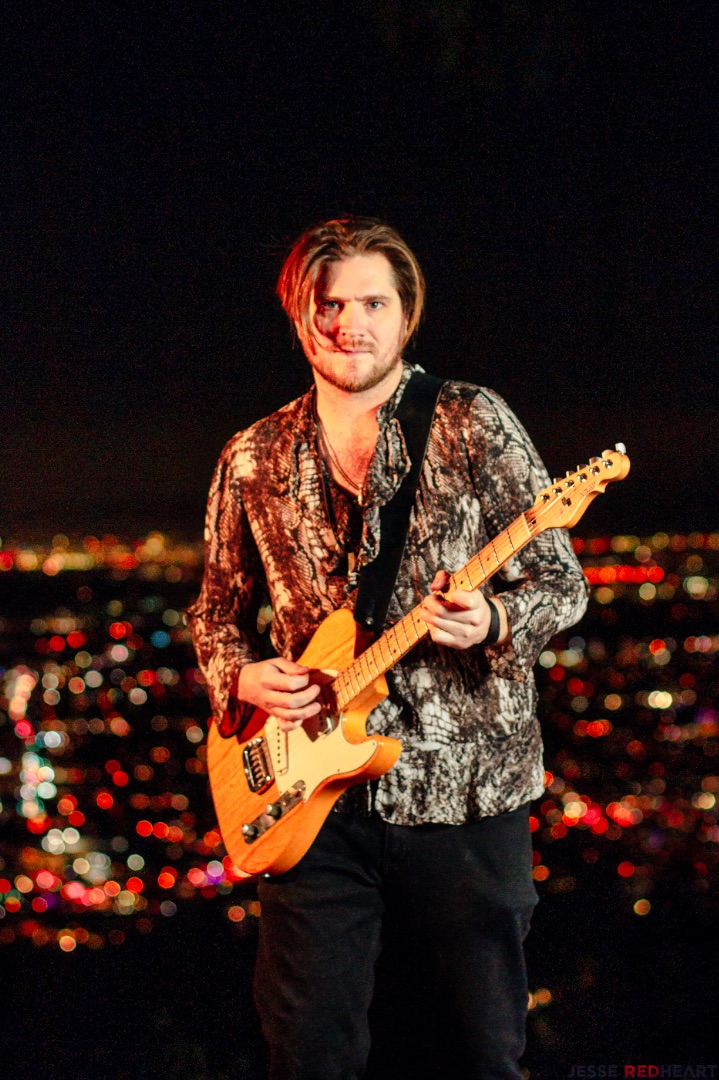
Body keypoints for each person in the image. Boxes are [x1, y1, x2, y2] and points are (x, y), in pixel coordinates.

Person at [186, 217, 589, 1080]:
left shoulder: (471, 421)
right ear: (299, 316)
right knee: (308, 1052)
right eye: (328, 305)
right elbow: (215, 613)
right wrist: (242, 675)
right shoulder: (251, 455)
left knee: (475, 1053)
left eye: (372, 303)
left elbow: (561, 583)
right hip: (310, 801)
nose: (349, 325)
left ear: (407, 314)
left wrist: (492, 621)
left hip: (465, 796)